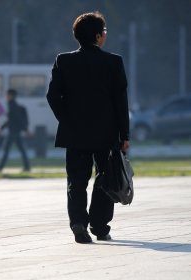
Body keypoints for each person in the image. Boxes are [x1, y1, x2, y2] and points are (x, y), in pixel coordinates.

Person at [46, 12, 130, 243]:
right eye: (104, 32)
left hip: (75, 133)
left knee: (76, 180)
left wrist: (67, 118)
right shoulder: (113, 62)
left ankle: (78, 223)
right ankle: (100, 226)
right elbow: (120, 102)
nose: (105, 36)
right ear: (97, 36)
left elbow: (53, 95)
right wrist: (125, 134)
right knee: (105, 177)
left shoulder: (63, 60)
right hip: (106, 132)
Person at [0, 89, 30, 172]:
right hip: (16, 131)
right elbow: (12, 119)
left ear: (11, 96)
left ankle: (0, 167)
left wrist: (25, 129)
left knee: (6, 150)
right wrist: (25, 129)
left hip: (13, 132)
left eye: (7, 95)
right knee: (21, 150)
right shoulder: (12, 105)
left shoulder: (12, 105)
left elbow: (15, 119)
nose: (6, 97)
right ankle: (27, 167)